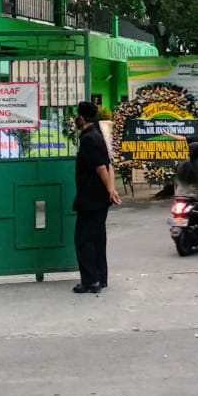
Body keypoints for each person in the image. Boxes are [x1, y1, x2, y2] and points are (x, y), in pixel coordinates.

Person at [72, 100, 121, 294]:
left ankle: (90, 281)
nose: (75, 118)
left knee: (84, 239)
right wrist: (111, 189)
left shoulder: (89, 139)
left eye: (77, 115)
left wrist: (110, 189)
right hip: (98, 198)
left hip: (91, 198)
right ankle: (100, 278)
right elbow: (108, 164)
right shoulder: (97, 135)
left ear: (82, 118)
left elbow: (101, 167)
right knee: (98, 238)